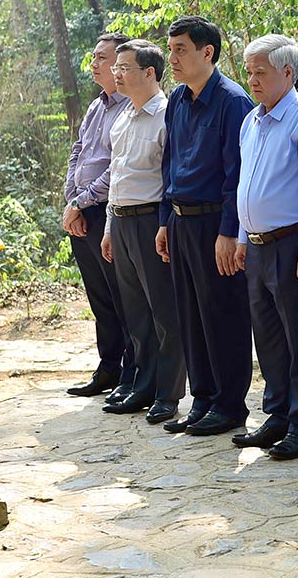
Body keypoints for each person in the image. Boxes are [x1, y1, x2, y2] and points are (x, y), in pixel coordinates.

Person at [156, 15, 255, 436]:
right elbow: (170, 165)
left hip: (216, 222)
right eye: (171, 49)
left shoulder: (233, 101)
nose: (172, 58)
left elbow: (237, 174)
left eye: (181, 49)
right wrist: (164, 222)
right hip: (179, 222)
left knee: (223, 315)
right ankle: (203, 398)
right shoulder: (177, 99)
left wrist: (229, 232)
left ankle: (230, 405)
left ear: (207, 52)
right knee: (190, 314)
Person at [230, 35, 298, 459]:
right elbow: (245, 185)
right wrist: (238, 237)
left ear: (288, 73)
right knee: (268, 337)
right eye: (249, 71)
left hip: (292, 244)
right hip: (255, 245)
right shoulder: (251, 121)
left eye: (260, 72)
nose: (252, 79)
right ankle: (278, 414)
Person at [98, 40, 185, 425]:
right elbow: (117, 177)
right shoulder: (122, 117)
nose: (116, 73)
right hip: (121, 219)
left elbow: (170, 179)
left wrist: (164, 225)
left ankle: (168, 393)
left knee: (165, 311)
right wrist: (108, 227)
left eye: (124, 67)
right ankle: (143, 386)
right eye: (115, 67)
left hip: (152, 221)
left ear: (149, 73)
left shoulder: (168, 115)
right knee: (136, 313)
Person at [65, 32, 135, 400]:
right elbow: (77, 152)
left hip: (109, 213)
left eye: (102, 58)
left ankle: (131, 373)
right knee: (99, 298)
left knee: (123, 297)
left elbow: (117, 169)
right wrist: (71, 202)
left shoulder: (132, 107)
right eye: (93, 57)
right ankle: (108, 367)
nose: (94, 64)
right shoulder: (97, 106)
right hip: (81, 215)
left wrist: (84, 201)